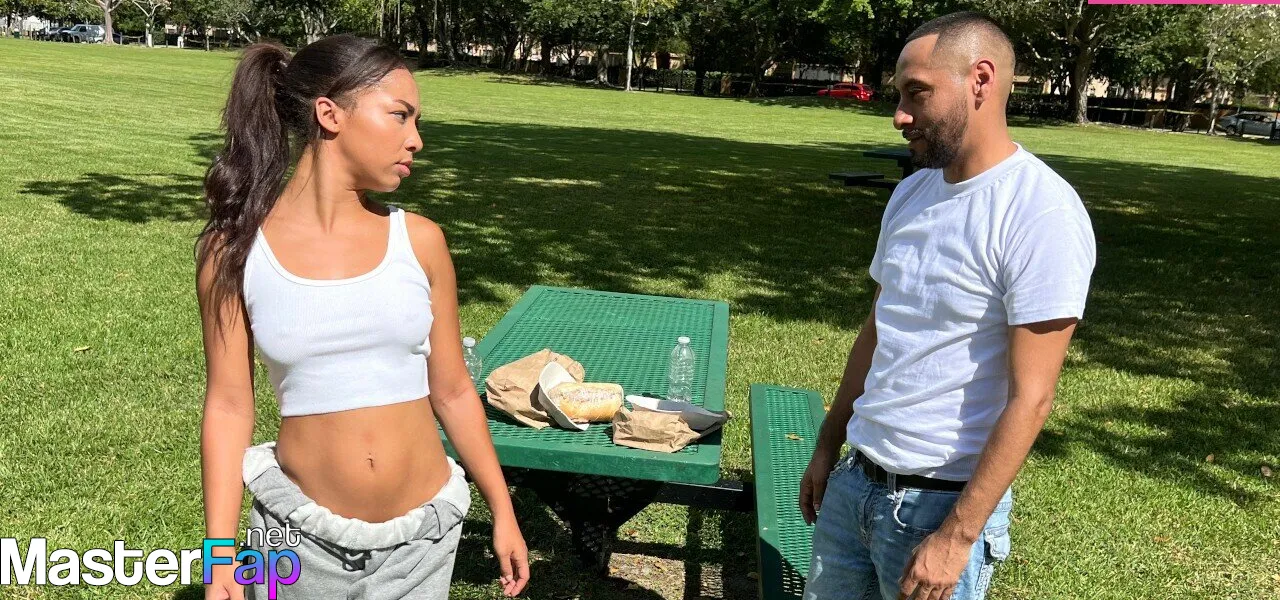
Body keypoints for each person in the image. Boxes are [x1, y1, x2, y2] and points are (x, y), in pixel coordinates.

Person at [195, 35, 530, 599]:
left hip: (425, 540)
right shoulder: (235, 252)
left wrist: (503, 508)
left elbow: (452, 390)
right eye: (400, 115)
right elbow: (229, 406)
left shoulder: (420, 242)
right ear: (330, 114)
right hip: (296, 541)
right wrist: (219, 558)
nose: (416, 139)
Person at [799, 12, 1096, 600]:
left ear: (980, 80)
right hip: (856, 481)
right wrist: (828, 444)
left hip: (938, 507)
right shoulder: (912, 193)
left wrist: (958, 536)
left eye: (917, 93)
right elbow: (879, 329)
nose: (899, 115)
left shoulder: (1041, 213)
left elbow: (1032, 398)